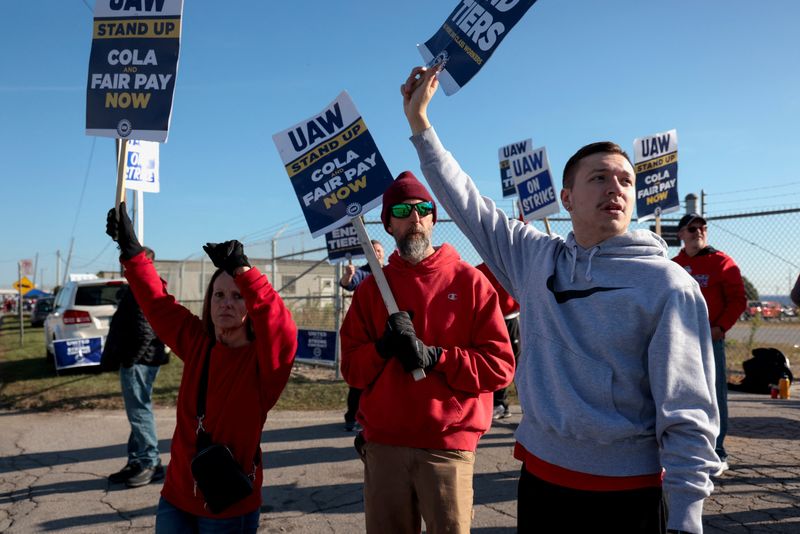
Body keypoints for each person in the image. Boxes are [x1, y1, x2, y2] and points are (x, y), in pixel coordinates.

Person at [401, 66, 720, 534]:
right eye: (599, 178)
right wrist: (420, 125)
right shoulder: (535, 258)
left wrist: (687, 515)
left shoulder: (669, 286)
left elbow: (689, 408)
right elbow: (467, 202)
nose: (615, 188)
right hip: (540, 476)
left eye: (625, 181)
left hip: (628, 491)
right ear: (567, 197)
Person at [340, 171, 516, 534]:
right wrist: (382, 349)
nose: (415, 217)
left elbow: (500, 367)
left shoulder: (469, 282)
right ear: (389, 224)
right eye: (402, 210)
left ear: (434, 219)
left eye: (423, 209)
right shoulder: (372, 291)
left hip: (447, 446)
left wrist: (439, 357)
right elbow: (352, 372)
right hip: (385, 445)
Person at [106, 203, 297, 532]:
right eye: (219, 295)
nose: (226, 302)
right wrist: (132, 251)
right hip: (176, 498)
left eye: (238, 297)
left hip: (227, 506)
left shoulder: (264, 366)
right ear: (208, 302)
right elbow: (157, 303)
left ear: (250, 305)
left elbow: (283, 329)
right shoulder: (199, 344)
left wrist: (243, 271)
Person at [672, 213, 746, 476]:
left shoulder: (722, 262)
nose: (699, 232)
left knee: (714, 394)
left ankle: (718, 450)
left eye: (703, 228)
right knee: (679, 393)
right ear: (681, 234)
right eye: (692, 229)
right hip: (679, 341)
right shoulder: (673, 264)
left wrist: (720, 328)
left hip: (709, 339)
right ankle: (686, 447)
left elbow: (738, 300)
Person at [102, 246, 170, 488]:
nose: (124, 264)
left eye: (130, 260)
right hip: (140, 360)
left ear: (146, 261)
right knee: (137, 413)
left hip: (140, 362)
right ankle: (136, 460)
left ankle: (150, 462)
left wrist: (131, 359)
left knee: (140, 412)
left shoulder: (144, 286)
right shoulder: (139, 286)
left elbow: (146, 330)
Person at [340, 239, 385, 432]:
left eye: (379, 250)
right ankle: (352, 417)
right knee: (360, 377)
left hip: (384, 331)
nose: (377, 254)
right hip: (365, 332)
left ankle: (374, 415)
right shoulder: (362, 272)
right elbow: (347, 284)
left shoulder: (392, 272)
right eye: (373, 250)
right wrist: (347, 277)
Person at [475, 262, 520, 420]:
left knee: (517, 362)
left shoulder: (511, 265)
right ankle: (500, 404)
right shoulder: (479, 271)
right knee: (496, 362)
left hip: (510, 319)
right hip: (492, 322)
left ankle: (528, 405)